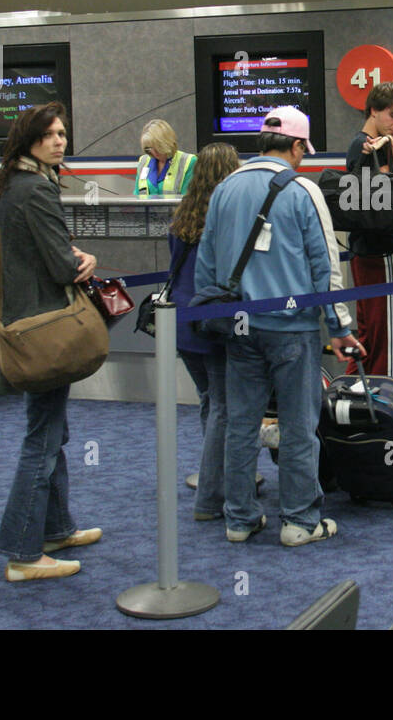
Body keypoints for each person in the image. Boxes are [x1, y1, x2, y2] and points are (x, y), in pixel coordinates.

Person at [198, 106, 363, 546]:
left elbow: (208, 264)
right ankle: (299, 521)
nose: (303, 159)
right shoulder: (303, 190)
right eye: (302, 151)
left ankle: (239, 519)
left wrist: (212, 319)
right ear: (294, 146)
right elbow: (325, 266)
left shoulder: (224, 189)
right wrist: (340, 327)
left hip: (238, 325)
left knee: (241, 423)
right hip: (293, 328)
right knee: (297, 425)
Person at [0, 103, 102, 581]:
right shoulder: (35, 187)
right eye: (51, 135)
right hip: (45, 325)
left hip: (30, 320)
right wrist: (84, 257)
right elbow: (62, 266)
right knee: (43, 437)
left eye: (63, 133)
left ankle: (55, 527)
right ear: (30, 140)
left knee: (52, 431)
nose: (60, 141)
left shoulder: (16, 184)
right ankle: (23, 551)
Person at [169, 142, 241, 521]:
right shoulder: (228, 215)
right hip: (213, 323)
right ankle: (212, 496)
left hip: (182, 323)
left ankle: (216, 474)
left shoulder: (183, 213)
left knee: (209, 401)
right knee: (224, 408)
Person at [344, 82, 393, 380]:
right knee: (387, 340)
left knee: (370, 337)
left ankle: (355, 396)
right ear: (373, 110)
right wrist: (392, 149)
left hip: (376, 251)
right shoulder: (367, 146)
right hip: (378, 252)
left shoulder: (367, 144)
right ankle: (382, 403)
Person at [134, 119, 195, 196]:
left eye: (158, 146)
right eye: (150, 147)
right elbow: (136, 196)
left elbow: (189, 200)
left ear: (167, 142)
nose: (154, 152)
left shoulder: (189, 162)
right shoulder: (143, 161)